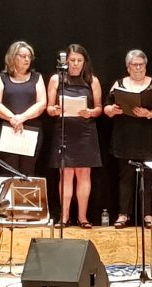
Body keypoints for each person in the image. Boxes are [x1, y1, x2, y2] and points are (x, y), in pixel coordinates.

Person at [104, 49, 152, 228]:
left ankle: (148, 215)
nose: (139, 68)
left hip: (148, 137)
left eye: (142, 65)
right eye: (135, 65)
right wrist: (111, 110)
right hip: (125, 137)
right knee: (125, 177)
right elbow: (107, 107)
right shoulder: (119, 84)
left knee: (149, 177)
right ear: (128, 67)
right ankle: (123, 214)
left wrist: (149, 113)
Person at [46, 43, 103, 229]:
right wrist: (54, 110)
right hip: (64, 130)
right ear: (66, 61)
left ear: (85, 62)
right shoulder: (56, 78)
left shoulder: (92, 80)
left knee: (84, 173)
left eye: (79, 60)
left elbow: (99, 108)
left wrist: (91, 112)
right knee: (66, 174)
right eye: (72, 60)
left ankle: (83, 217)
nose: (76, 64)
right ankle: (64, 217)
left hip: (85, 131)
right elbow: (48, 107)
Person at [0, 40, 46, 177]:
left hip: (31, 130)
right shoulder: (2, 77)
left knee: (28, 170)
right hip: (9, 129)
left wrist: (22, 118)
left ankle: (25, 199)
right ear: (12, 57)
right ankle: (9, 199)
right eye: (23, 56)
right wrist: (12, 118)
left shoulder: (36, 77)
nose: (27, 59)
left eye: (29, 56)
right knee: (9, 170)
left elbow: (42, 103)